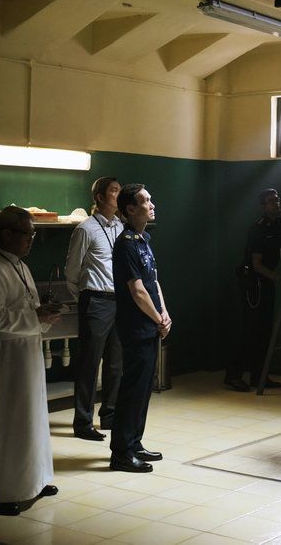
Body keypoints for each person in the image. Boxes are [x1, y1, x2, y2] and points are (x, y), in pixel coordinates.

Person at [0, 206, 59, 516]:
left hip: (26, 350)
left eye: (33, 234)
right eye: (27, 234)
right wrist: (35, 317)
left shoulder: (19, 265)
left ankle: (35, 479)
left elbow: (27, 305)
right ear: (6, 234)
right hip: (5, 356)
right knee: (5, 422)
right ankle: (0, 493)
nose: (31, 240)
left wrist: (42, 314)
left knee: (31, 417)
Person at [110, 184, 170, 473]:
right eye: (145, 201)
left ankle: (134, 443)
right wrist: (158, 319)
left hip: (150, 324)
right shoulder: (125, 244)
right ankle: (121, 453)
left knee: (144, 389)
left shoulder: (144, 239)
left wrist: (164, 313)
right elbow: (137, 291)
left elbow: (153, 282)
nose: (152, 204)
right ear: (130, 209)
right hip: (136, 326)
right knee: (132, 390)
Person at [65, 176, 123, 441]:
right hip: (96, 299)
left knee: (115, 363)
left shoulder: (120, 227)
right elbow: (72, 271)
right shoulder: (86, 228)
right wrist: (85, 297)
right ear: (99, 197)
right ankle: (83, 422)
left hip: (119, 300)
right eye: (114, 191)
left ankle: (109, 416)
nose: (118, 195)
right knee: (89, 362)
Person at [225, 188, 281, 392]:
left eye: (277, 199)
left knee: (265, 331)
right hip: (253, 283)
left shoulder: (279, 225)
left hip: (267, 283)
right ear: (263, 206)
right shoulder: (258, 229)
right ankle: (233, 375)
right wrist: (279, 278)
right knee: (251, 330)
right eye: (271, 201)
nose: (276, 203)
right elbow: (256, 265)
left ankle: (259, 376)